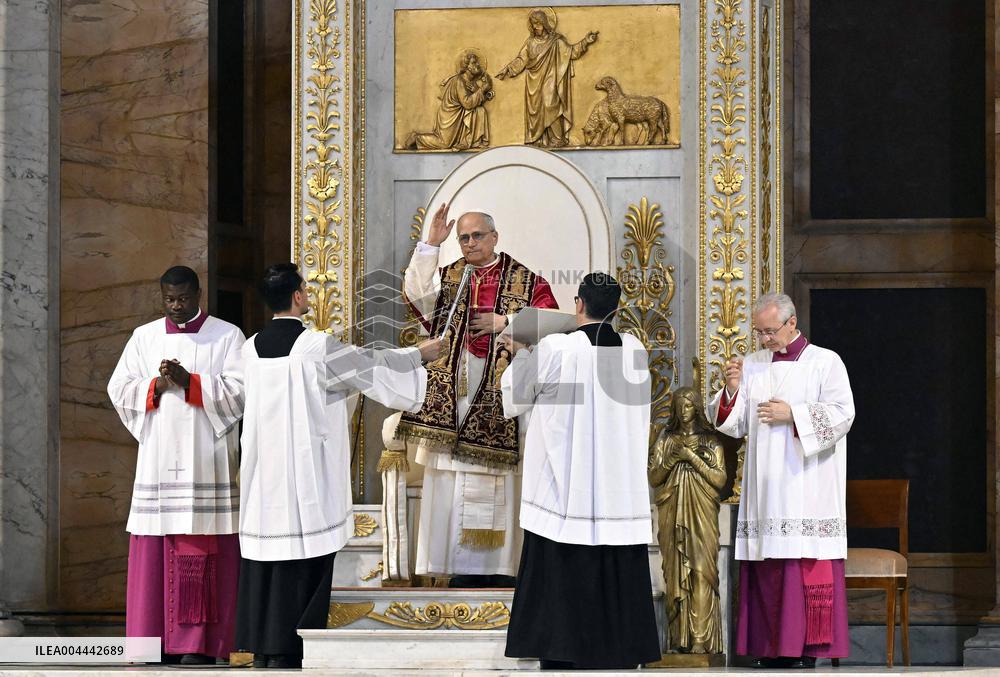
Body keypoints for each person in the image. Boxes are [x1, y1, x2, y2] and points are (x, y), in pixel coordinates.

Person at [234, 264, 441, 669]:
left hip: (264, 474)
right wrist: (421, 355)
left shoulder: (250, 347)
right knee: (304, 554)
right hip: (305, 472)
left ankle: (262, 645)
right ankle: (293, 645)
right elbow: (369, 367)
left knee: (266, 558)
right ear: (298, 296)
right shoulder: (316, 346)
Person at [501, 272, 661, 670]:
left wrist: (518, 353)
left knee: (561, 556)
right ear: (617, 309)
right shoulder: (635, 350)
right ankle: (621, 650)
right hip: (617, 484)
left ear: (578, 304)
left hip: (566, 482)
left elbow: (516, 397)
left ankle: (562, 648)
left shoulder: (557, 347)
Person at [396, 202, 558, 587]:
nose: (469, 243)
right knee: (450, 482)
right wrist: (430, 245)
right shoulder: (449, 276)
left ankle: (501, 568)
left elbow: (553, 325)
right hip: (454, 400)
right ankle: (454, 564)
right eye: (463, 238)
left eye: (477, 236)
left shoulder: (524, 278)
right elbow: (417, 296)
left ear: (494, 237)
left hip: (501, 404)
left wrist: (507, 322)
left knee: (499, 483)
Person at [108, 265, 246, 665]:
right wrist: (157, 386)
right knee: (155, 545)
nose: (176, 306)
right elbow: (118, 388)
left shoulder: (226, 335)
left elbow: (240, 391)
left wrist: (192, 381)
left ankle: (201, 645)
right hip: (159, 457)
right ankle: (152, 644)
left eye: (183, 298)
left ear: (198, 293)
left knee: (204, 545)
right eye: (169, 299)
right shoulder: (144, 337)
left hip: (207, 458)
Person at [710, 292, 855, 668]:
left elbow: (843, 415)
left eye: (770, 331)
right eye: (759, 332)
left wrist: (794, 414)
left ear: (792, 323)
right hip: (766, 487)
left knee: (801, 567)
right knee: (768, 567)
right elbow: (735, 423)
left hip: (807, 484)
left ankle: (805, 649)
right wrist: (731, 390)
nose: (764, 340)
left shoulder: (825, 362)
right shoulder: (754, 365)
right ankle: (769, 647)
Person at [649, 385, 727, 654]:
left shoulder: (711, 441)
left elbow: (719, 479)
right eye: (679, 405)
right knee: (674, 572)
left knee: (701, 572)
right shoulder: (665, 439)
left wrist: (691, 457)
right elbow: (653, 478)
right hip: (671, 508)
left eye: (689, 405)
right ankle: (677, 639)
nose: (683, 411)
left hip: (702, 511)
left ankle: (700, 639)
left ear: (697, 407)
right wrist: (672, 459)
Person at [496, 8, 598, 147]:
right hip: (534, 82)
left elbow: (572, 53)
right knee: (536, 111)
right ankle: (536, 140)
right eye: (533, 24)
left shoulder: (556, 41)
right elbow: (521, 59)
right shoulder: (530, 42)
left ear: (544, 23)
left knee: (551, 105)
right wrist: (508, 69)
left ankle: (558, 138)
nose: (535, 27)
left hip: (551, 80)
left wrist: (586, 41)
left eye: (537, 23)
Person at [403, 49, 493, 151]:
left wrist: (484, 92)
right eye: (474, 63)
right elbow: (467, 103)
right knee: (444, 144)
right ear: (466, 66)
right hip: (450, 116)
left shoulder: (471, 82)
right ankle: (417, 138)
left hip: (460, 117)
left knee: (480, 110)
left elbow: (476, 101)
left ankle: (470, 140)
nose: (477, 65)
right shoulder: (459, 81)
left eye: (477, 62)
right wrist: (483, 89)